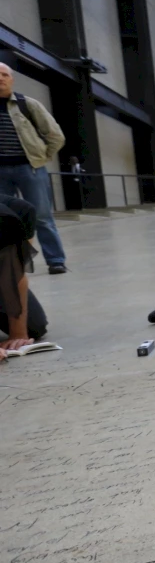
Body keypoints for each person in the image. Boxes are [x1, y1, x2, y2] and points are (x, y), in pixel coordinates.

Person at [0, 63, 68, 273]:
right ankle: (11, 264)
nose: (0, 78)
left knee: (42, 216)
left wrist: (40, 158)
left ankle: (55, 260)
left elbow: (55, 136)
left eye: (4, 74)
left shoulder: (27, 105)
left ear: (12, 79)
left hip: (29, 169)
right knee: (5, 219)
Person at [0, 196, 48, 353]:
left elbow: (13, 274)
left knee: (33, 326)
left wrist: (17, 334)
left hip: (13, 220)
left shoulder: (4, 220)